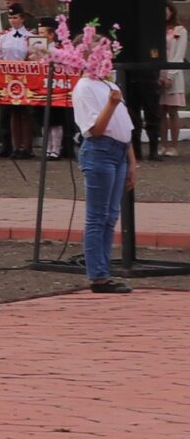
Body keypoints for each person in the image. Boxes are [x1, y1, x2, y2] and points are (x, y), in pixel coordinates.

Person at [73, 52, 141, 294]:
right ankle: (98, 275)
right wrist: (111, 104)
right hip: (100, 151)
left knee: (111, 215)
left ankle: (103, 270)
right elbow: (96, 128)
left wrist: (131, 161)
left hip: (119, 151)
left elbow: (126, 127)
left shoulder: (108, 84)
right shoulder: (84, 87)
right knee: (97, 215)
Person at [0, 7, 38, 159]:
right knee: (13, 111)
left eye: (15, 17)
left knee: (25, 112)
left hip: (25, 78)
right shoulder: (4, 37)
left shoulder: (30, 37)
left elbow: (36, 57)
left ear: (22, 19)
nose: (13, 20)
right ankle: (16, 146)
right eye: (10, 18)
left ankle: (26, 147)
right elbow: (0, 56)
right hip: (9, 78)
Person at [160, 4, 186, 158]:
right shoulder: (156, 29)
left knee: (172, 111)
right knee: (161, 110)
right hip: (159, 73)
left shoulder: (180, 31)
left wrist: (170, 75)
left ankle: (174, 146)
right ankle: (163, 144)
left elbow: (179, 54)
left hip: (173, 74)